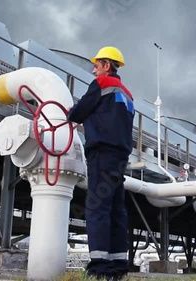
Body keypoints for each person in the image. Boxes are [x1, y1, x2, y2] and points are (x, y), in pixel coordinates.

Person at [68, 46, 134, 280]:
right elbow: (109, 117)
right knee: (117, 209)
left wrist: (71, 114)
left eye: (96, 66)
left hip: (102, 154)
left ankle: (100, 266)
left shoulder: (102, 84)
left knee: (97, 208)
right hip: (120, 156)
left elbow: (79, 110)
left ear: (107, 65)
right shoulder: (127, 94)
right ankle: (118, 265)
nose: (94, 71)